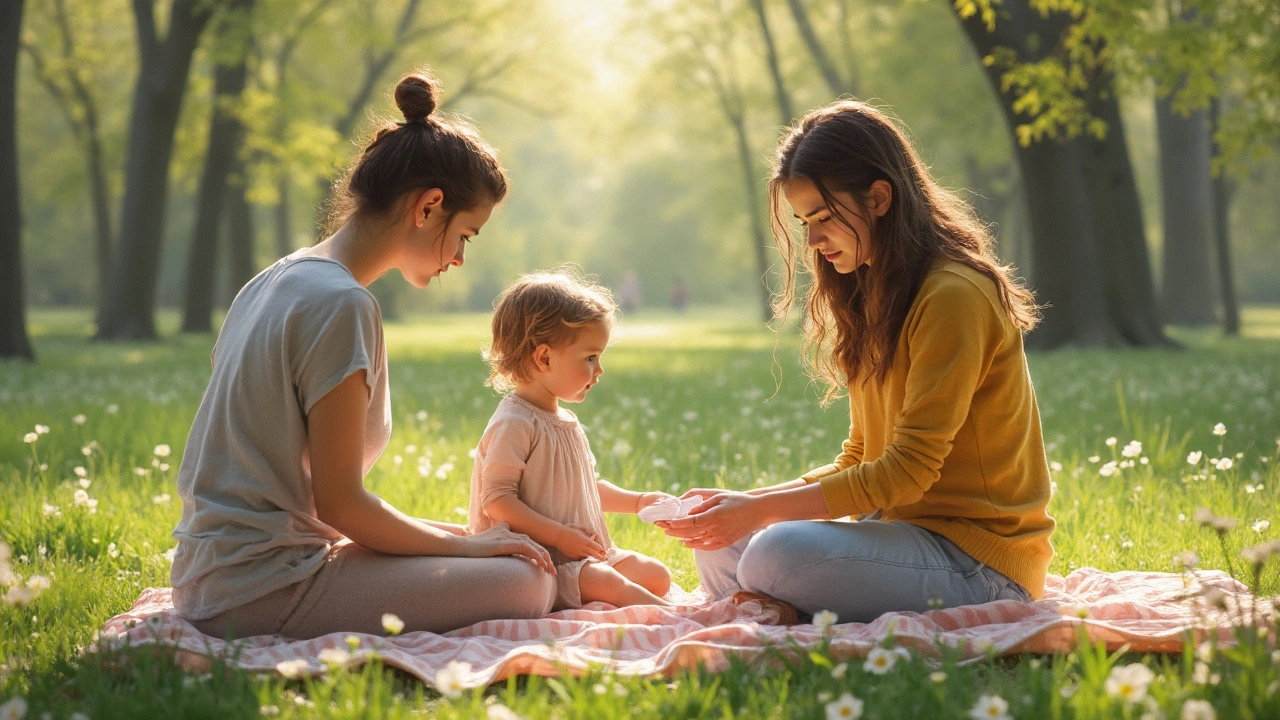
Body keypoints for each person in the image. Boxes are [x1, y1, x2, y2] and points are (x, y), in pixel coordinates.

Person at [170, 70, 557, 640]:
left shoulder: (274, 279)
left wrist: (467, 544)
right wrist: (467, 549)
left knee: (509, 551)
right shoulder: (342, 305)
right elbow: (342, 508)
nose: (460, 259)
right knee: (528, 582)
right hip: (259, 589)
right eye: (467, 235)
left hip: (223, 572)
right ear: (428, 207)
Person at [659, 100, 1055, 623]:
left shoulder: (953, 296)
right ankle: (779, 605)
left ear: (879, 197)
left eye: (823, 218)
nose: (814, 241)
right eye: (805, 223)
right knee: (714, 538)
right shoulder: (874, 292)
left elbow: (907, 472)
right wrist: (742, 503)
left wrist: (757, 512)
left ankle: (778, 606)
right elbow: (861, 457)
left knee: (773, 552)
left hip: (980, 564)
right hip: (898, 535)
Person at [469, 272, 674, 609]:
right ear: (544, 358)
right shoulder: (515, 422)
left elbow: (583, 489)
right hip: (541, 559)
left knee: (656, 575)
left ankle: (629, 594)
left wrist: (638, 502)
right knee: (613, 585)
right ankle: (677, 620)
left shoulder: (565, 422)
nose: (600, 369)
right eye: (590, 357)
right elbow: (497, 500)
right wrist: (559, 536)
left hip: (582, 554)